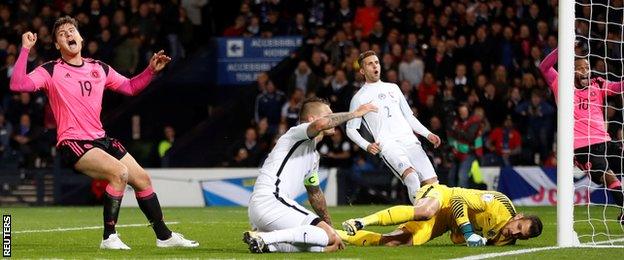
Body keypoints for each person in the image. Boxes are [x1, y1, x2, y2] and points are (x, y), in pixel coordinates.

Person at [9, 16, 197, 249]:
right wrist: (25, 50)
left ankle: (164, 237)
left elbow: (130, 87)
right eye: (62, 34)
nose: (68, 35)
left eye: (72, 31)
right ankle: (109, 237)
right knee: (119, 173)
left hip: (101, 138)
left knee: (143, 179)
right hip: (74, 142)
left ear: (81, 38)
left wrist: (150, 71)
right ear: (57, 45)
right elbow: (18, 85)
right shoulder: (50, 70)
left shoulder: (98, 68)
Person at [243, 97, 377, 253]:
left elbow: (314, 193)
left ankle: (266, 243)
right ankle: (266, 238)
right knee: (327, 236)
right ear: (311, 119)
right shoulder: (296, 133)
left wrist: (329, 225)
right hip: (271, 200)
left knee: (326, 241)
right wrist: (355, 113)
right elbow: (320, 124)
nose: (333, 119)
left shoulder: (313, 155)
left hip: (267, 209)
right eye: (329, 115)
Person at [539, 48, 624, 223]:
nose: (585, 71)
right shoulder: (561, 84)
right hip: (582, 147)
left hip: (605, 142)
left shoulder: (597, 84)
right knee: (609, 176)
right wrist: (563, 47)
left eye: (587, 68)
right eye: (580, 68)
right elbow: (544, 67)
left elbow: (617, 88)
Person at [346, 50, 441, 205]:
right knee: (411, 177)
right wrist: (366, 145)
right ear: (362, 71)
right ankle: (420, 218)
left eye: (376, 62)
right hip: (388, 144)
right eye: (370, 64)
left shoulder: (394, 88)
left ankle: (437, 220)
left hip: (410, 141)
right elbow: (351, 129)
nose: (375, 66)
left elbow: (409, 116)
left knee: (433, 184)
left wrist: (427, 134)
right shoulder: (359, 98)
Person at [340, 184, 543, 247]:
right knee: (425, 211)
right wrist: (468, 232)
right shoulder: (499, 204)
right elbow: (457, 200)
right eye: (518, 227)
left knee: (396, 243)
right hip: (444, 196)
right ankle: (360, 221)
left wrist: (462, 236)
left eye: (519, 236)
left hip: (447, 223)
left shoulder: (506, 241)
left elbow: (482, 242)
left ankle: (337, 234)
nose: (512, 233)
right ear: (519, 216)